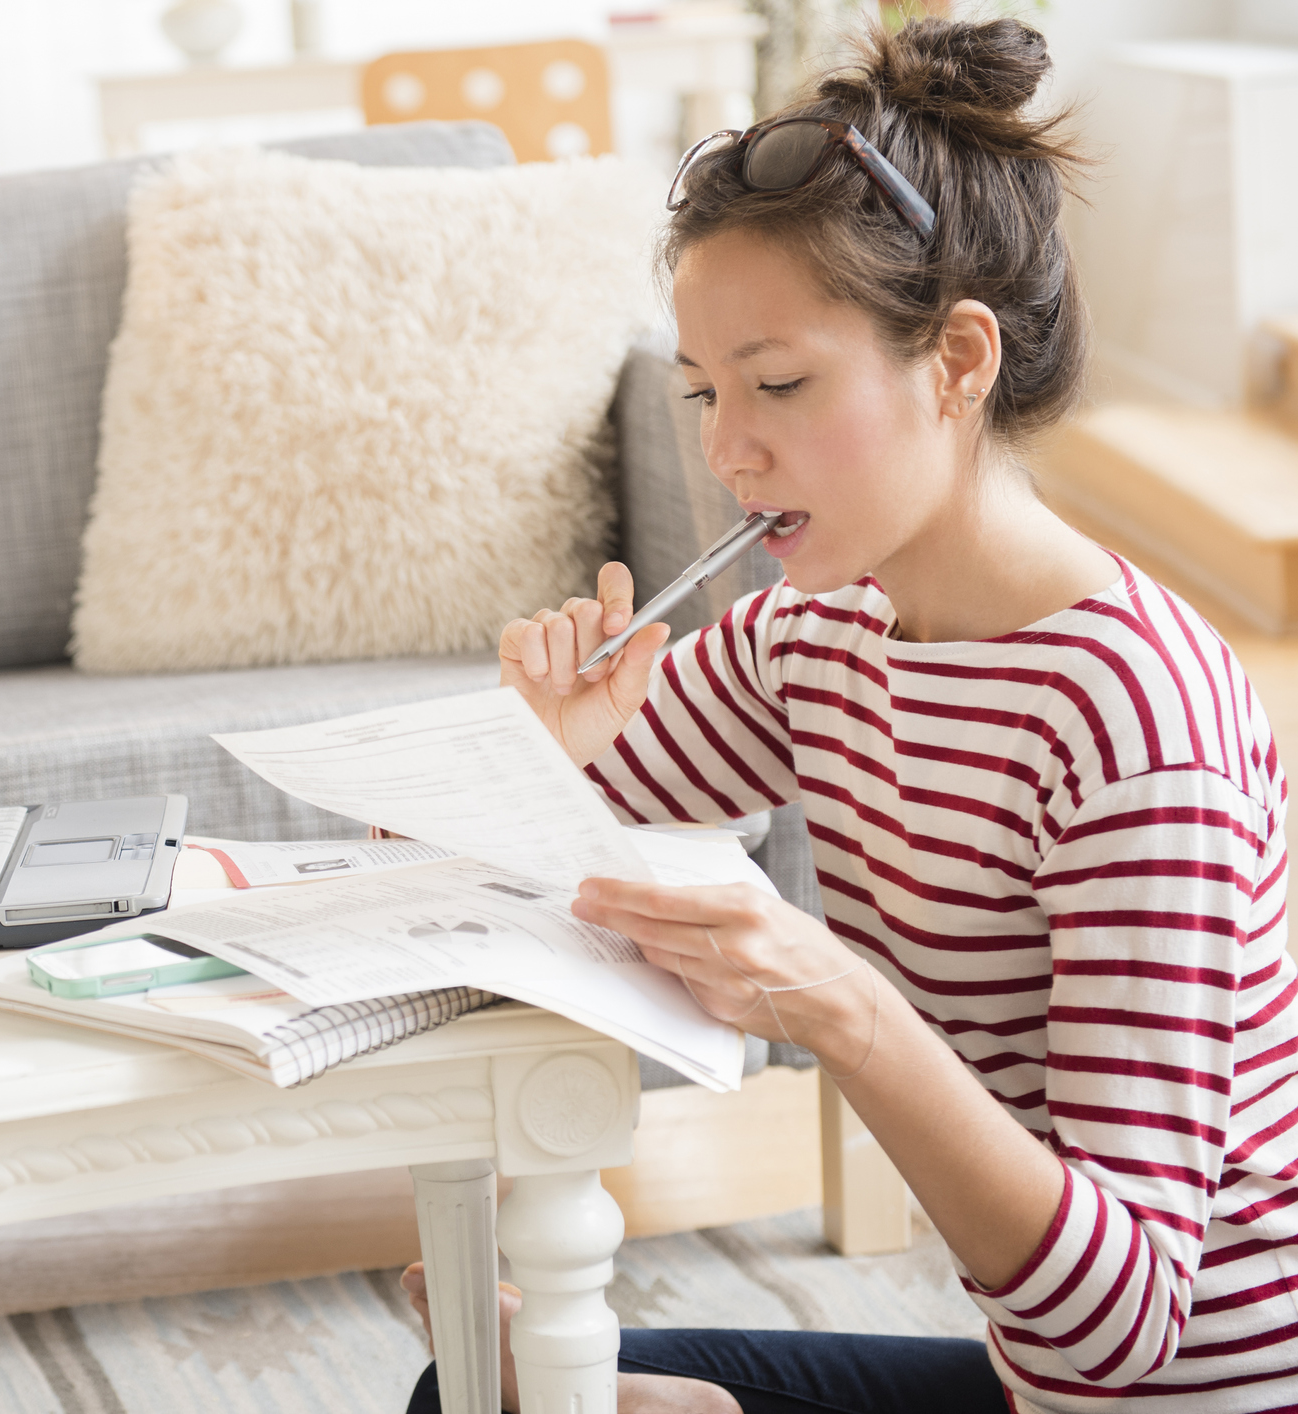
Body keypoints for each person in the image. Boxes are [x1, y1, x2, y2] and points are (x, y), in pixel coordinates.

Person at [400, 15, 1296, 1414]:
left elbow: (1120, 1322)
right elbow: (488, 860)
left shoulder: (1134, 724)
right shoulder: (819, 629)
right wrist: (551, 749)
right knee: (486, 1388)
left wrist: (839, 1005)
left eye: (778, 384)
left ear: (955, 361)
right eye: (706, 391)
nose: (724, 447)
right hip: (1037, 1388)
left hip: (1188, 1394)